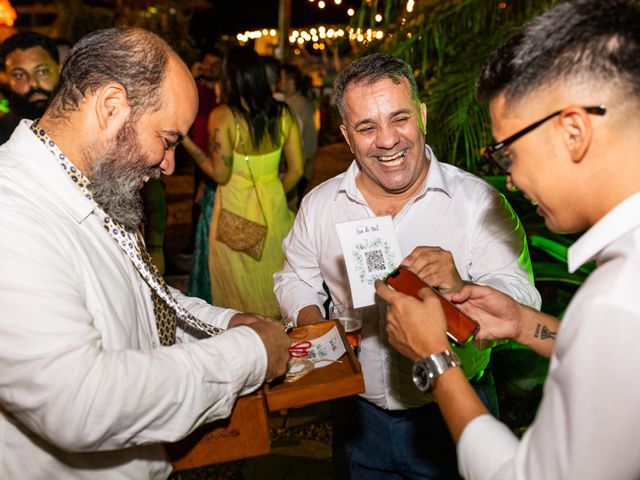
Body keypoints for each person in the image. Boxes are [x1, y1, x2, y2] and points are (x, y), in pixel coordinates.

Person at [0, 28, 291, 479]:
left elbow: (147, 301)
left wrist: (225, 323)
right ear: (111, 106)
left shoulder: (96, 183)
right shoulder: (12, 212)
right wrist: (248, 353)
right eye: (169, 139)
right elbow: (82, 402)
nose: (170, 165)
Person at [375, 1, 640, 478]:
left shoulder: (616, 300)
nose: (511, 181)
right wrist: (521, 323)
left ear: (574, 131)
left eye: (508, 153)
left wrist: (436, 360)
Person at [274, 52, 541, 479]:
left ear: (422, 115)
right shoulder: (321, 204)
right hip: (358, 419)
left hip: (453, 415)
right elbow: (295, 277)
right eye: (367, 127)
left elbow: (523, 298)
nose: (387, 140)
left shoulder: (478, 203)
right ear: (346, 135)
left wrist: (460, 286)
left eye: (400, 119)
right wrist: (314, 322)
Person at [184, 46, 304, 318]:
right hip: (274, 215)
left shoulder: (223, 116)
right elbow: (296, 169)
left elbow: (220, 174)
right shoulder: (283, 114)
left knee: (238, 300)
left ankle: (248, 352)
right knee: (274, 290)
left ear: (230, 78)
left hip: (233, 218)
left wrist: (186, 141)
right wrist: (273, 192)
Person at [185, 47, 224, 301]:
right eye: (206, 62)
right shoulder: (196, 84)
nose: (209, 67)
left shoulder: (222, 90)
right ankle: (192, 241)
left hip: (213, 150)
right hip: (198, 146)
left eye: (214, 63)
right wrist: (192, 74)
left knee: (205, 196)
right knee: (197, 195)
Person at [0, 31, 60, 144]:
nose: (33, 83)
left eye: (42, 71)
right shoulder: (3, 139)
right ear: (6, 79)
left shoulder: (87, 124)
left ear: (60, 69)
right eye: (19, 75)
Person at [279, 63, 319, 204]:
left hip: (297, 167)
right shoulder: (281, 101)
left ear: (291, 81)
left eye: (281, 78)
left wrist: (303, 165)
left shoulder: (302, 105)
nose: (279, 82)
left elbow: (310, 139)